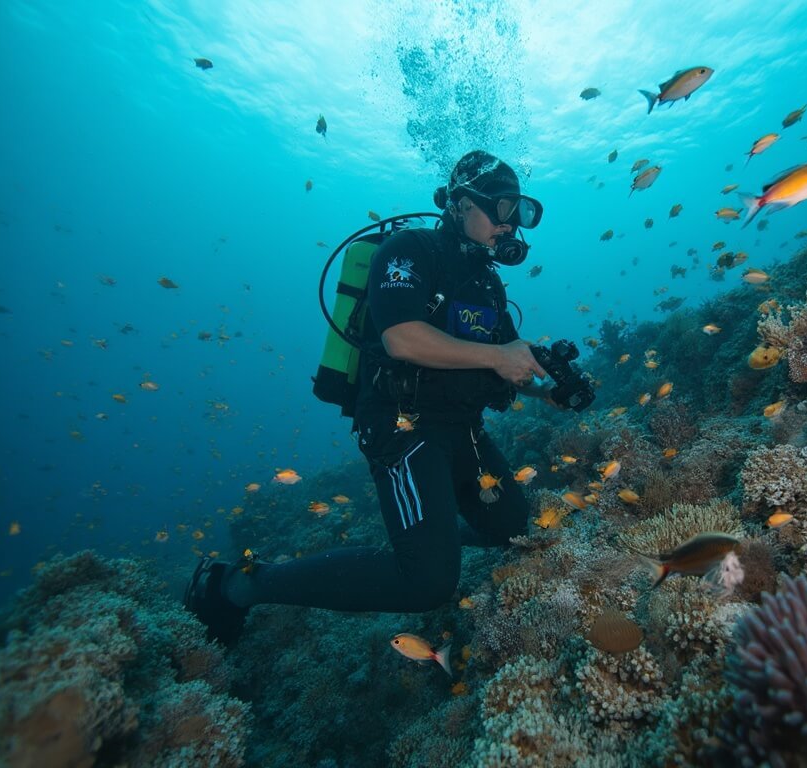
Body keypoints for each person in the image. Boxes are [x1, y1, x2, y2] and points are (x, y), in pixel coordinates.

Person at [185, 150, 552, 646]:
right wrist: (496, 359)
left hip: (463, 426)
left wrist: (548, 386)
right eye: (502, 210)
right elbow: (402, 338)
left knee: (514, 529)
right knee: (425, 582)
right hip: (403, 426)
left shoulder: (486, 283)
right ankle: (239, 584)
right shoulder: (408, 250)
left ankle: (428, 535)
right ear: (463, 205)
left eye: (520, 213)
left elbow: (505, 362)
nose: (511, 226)